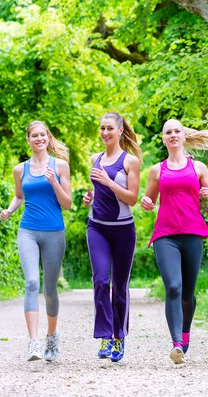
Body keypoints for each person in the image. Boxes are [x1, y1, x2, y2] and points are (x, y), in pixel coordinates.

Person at [140, 119, 208, 365]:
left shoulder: (199, 168)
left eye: (177, 131)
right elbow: (149, 201)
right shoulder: (157, 170)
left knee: (187, 293)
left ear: (184, 137)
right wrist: (146, 203)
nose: (173, 135)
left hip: (193, 234)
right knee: (173, 287)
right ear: (163, 139)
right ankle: (176, 343)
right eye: (168, 132)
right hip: (165, 235)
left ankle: (185, 333)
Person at [0, 121, 72, 362]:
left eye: (43, 135)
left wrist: (54, 182)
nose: (39, 138)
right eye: (34, 135)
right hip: (28, 230)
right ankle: (33, 343)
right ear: (28, 140)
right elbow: (20, 196)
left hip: (54, 231)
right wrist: (9, 210)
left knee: (50, 290)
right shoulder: (20, 170)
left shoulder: (60, 166)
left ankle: (52, 337)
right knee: (32, 282)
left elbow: (67, 203)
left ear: (48, 138)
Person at [82, 112, 141, 363]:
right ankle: (106, 335)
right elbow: (98, 194)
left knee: (119, 288)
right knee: (100, 281)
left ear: (119, 131)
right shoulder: (95, 159)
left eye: (109, 128)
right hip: (97, 228)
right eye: (102, 128)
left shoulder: (131, 161)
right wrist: (89, 198)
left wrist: (108, 181)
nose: (105, 132)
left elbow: (131, 198)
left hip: (123, 231)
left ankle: (119, 337)